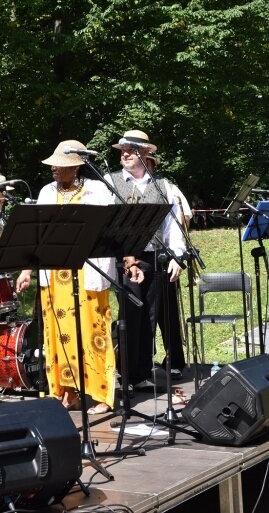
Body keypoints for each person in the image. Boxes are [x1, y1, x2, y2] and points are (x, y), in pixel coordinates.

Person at [15, 140, 118, 414]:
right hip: (56, 275)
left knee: (91, 330)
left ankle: (100, 395)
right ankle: (67, 391)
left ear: (75, 166)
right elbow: (36, 234)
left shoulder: (97, 190)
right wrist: (27, 270)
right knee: (61, 335)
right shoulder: (47, 192)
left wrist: (128, 260)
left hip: (87, 271)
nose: (53, 170)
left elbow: (110, 229)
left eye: (59, 165)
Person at [106, 130, 186, 392]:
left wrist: (177, 256)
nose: (125, 153)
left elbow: (173, 226)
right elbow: (107, 225)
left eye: (130, 149)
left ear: (145, 154)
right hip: (125, 259)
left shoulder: (163, 186)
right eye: (122, 150)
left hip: (155, 257)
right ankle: (127, 375)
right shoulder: (110, 181)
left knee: (150, 315)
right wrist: (126, 256)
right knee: (131, 314)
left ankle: (142, 373)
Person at [146, 151, 190, 380]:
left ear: (150, 162)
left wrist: (176, 255)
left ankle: (174, 360)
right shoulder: (117, 183)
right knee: (142, 315)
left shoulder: (167, 187)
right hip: (134, 257)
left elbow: (184, 219)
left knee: (168, 312)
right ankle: (142, 364)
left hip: (163, 254)